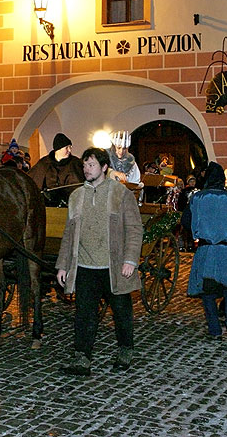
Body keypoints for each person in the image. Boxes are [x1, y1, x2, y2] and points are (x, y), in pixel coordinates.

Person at [55, 147, 142, 375]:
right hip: (85, 266)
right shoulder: (76, 197)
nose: (86, 169)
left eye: (91, 165)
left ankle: (125, 350)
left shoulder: (120, 194)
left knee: (122, 312)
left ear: (104, 167)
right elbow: (69, 233)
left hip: (113, 266)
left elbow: (134, 228)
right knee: (84, 314)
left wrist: (130, 260)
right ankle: (82, 358)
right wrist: (63, 265)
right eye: (84, 165)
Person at [182, 162, 227, 340]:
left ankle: (214, 328)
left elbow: (185, 222)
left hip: (207, 250)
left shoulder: (198, 198)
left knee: (208, 291)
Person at [28, 132, 84, 207]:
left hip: (70, 206)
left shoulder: (75, 163)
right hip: (47, 206)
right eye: (66, 148)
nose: (69, 150)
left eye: (70, 147)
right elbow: (32, 179)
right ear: (58, 149)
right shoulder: (44, 163)